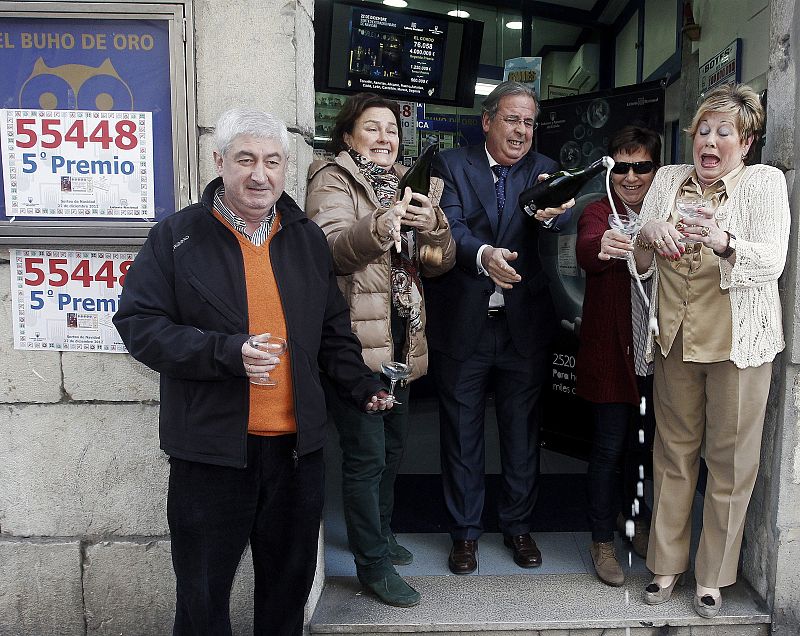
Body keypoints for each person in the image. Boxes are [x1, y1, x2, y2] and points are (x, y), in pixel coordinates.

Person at [113, 108, 393, 636]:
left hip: (295, 455)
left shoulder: (307, 239)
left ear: (286, 168)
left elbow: (332, 331)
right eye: (245, 159)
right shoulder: (177, 237)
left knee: (286, 599)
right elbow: (138, 325)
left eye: (271, 161)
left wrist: (362, 386)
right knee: (202, 600)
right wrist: (225, 353)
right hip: (213, 454)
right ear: (219, 162)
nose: (259, 174)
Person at [631, 84, 789, 618]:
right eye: (703, 130)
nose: (711, 140)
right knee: (672, 454)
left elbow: (772, 261)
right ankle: (665, 565)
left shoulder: (765, 183)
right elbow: (639, 259)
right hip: (674, 337)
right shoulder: (671, 180)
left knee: (731, 462)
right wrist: (647, 234)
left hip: (739, 343)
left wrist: (725, 242)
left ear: (746, 143)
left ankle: (713, 576)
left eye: (725, 132)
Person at [306, 93, 455, 607]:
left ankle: (381, 535)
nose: (385, 138)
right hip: (356, 344)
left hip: (402, 337)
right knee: (366, 456)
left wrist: (431, 226)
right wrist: (381, 226)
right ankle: (371, 565)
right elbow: (328, 250)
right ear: (348, 135)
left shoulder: (413, 184)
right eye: (372, 128)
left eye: (392, 129)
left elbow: (439, 261)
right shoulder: (331, 179)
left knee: (393, 452)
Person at [426, 81, 572, 574]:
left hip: (522, 328)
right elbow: (450, 227)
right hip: (464, 323)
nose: (521, 131)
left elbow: (551, 232)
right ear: (487, 121)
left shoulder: (547, 171)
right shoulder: (451, 165)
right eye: (512, 119)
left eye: (529, 122)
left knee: (521, 434)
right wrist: (483, 255)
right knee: (461, 434)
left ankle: (518, 527)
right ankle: (464, 534)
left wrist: (553, 223)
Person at [575, 125, 662, 586]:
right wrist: (603, 245)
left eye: (641, 166)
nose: (630, 176)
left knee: (645, 449)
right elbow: (588, 248)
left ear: (656, 169)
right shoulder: (597, 212)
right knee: (608, 450)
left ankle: (638, 524)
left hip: (659, 356)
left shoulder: (668, 212)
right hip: (612, 357)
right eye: (621, 166)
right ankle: (602, 539)